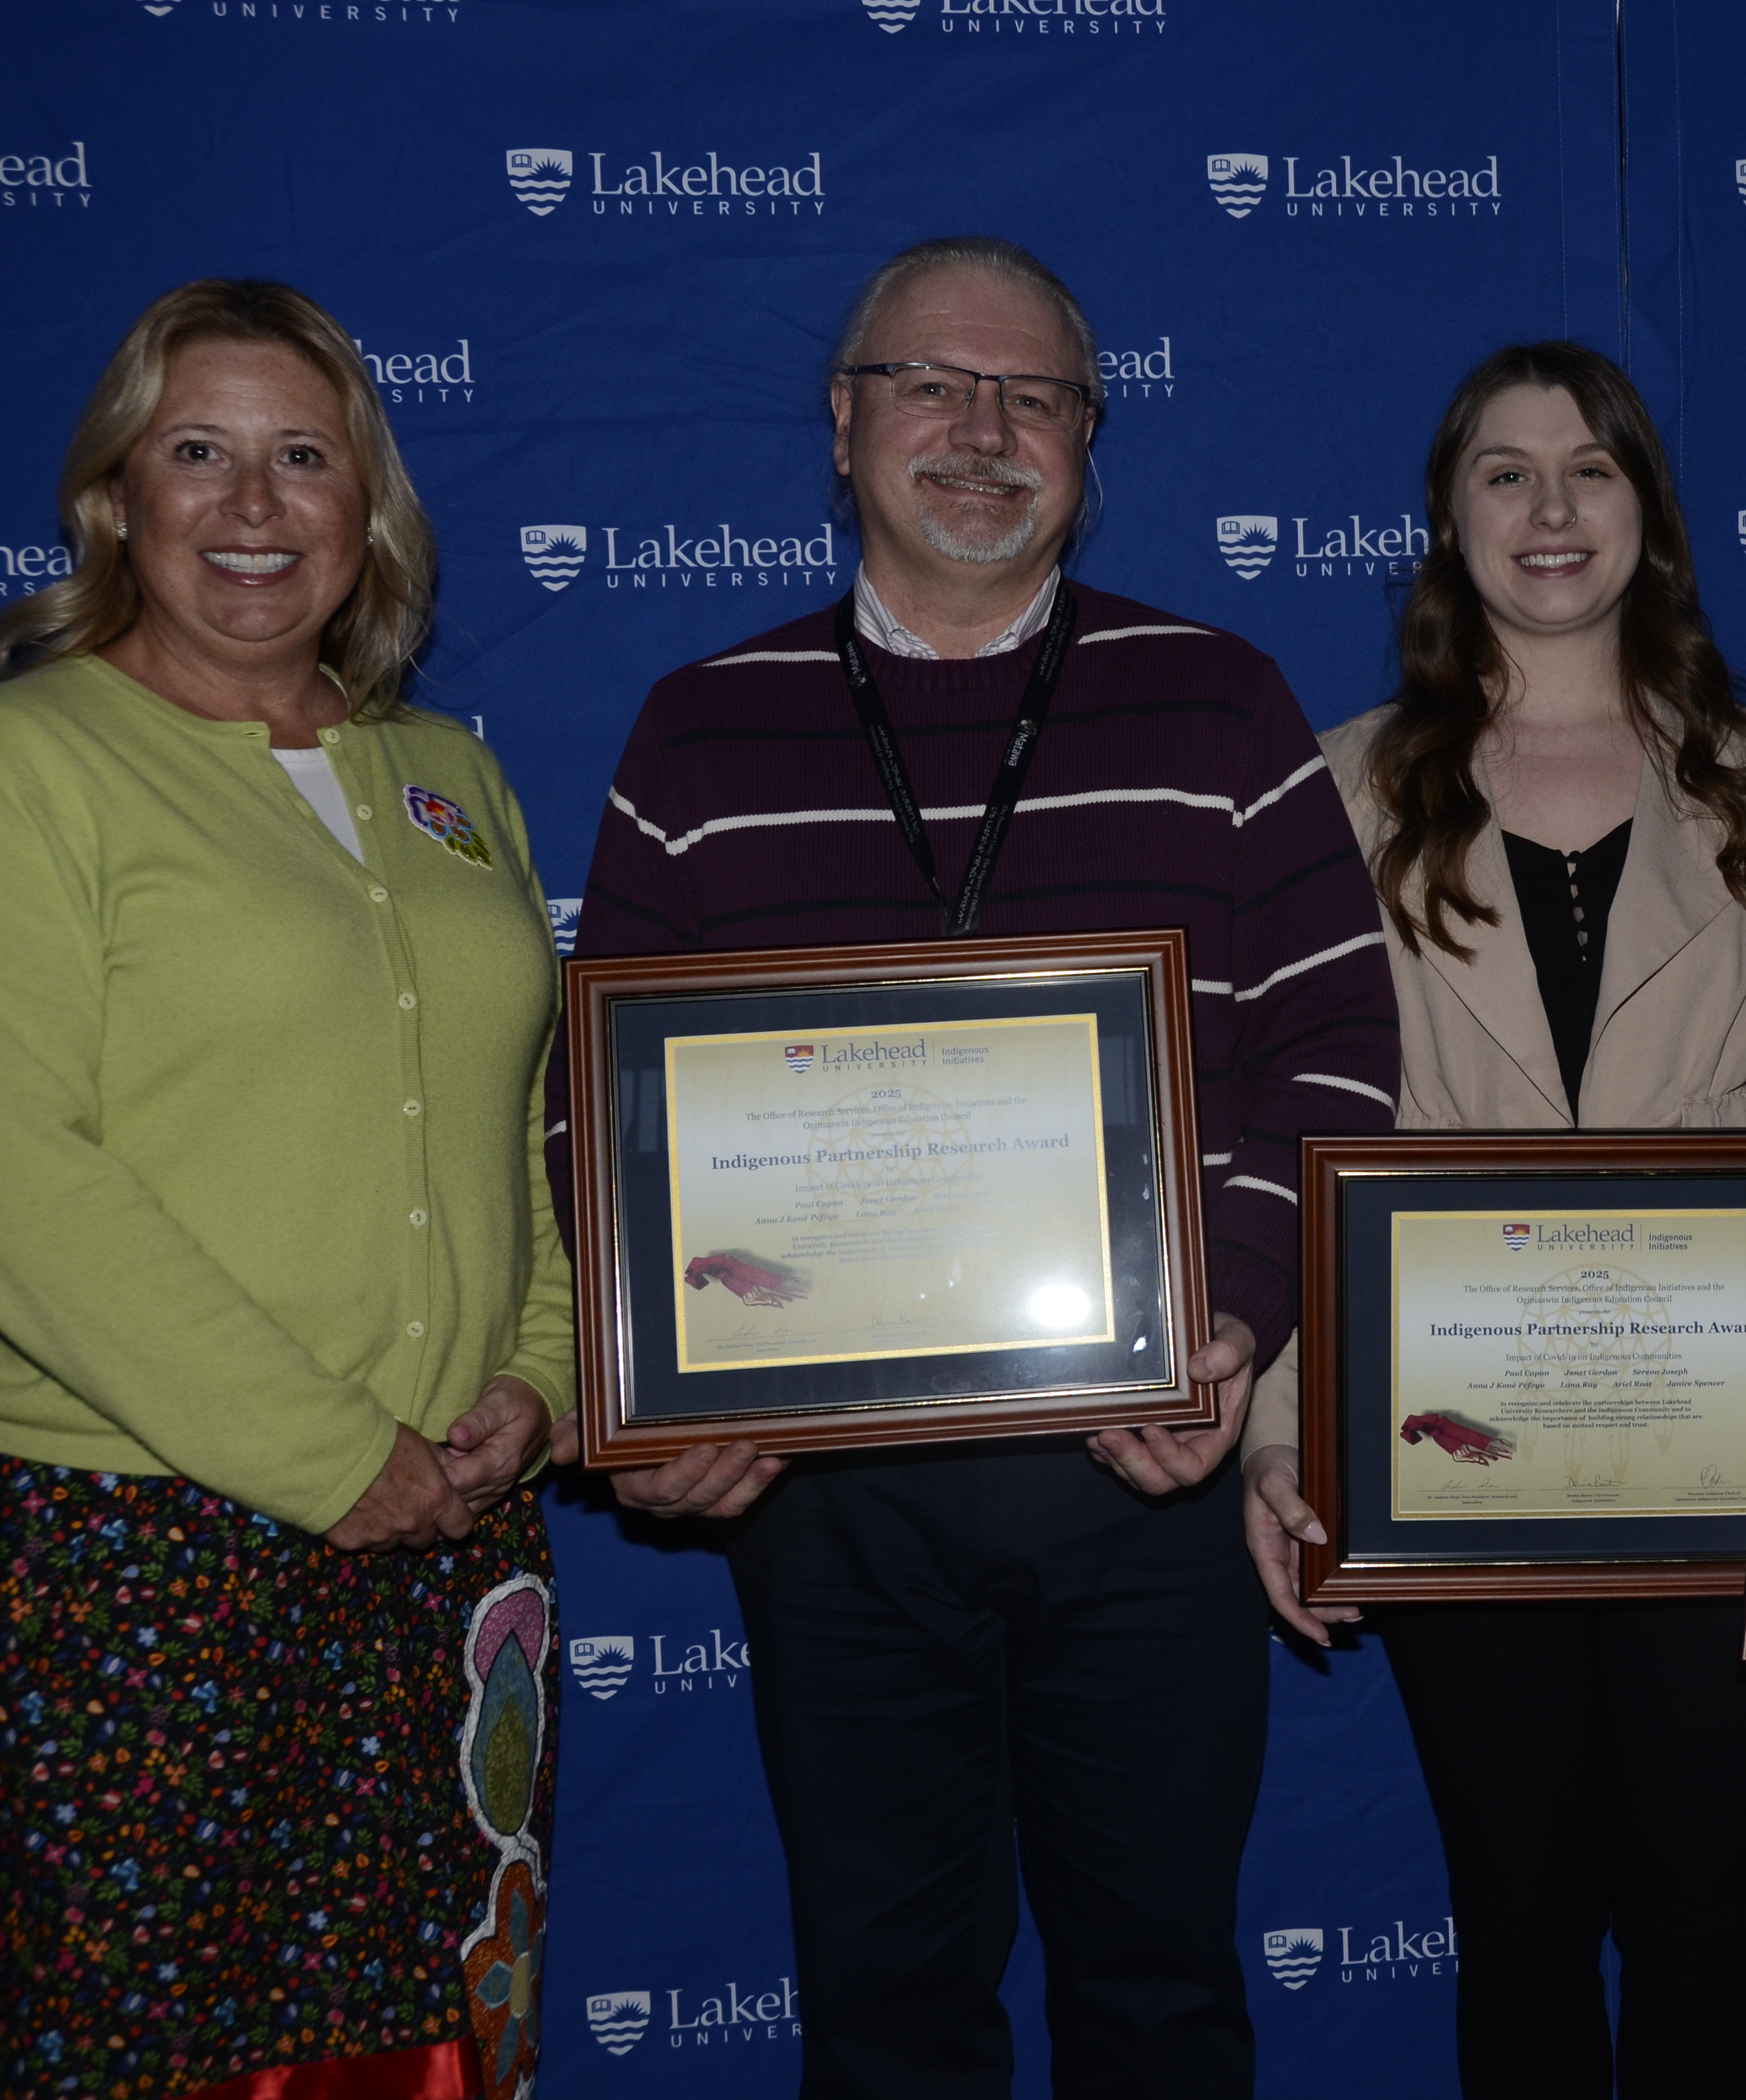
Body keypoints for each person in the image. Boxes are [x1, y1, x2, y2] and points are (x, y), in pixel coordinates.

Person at [558, 235, 1397, 2099]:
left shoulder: (1221, 702)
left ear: (1090, 443)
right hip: (827, 1498)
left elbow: (1336, 1049)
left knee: (1161, 2004)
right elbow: (595, 1106)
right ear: (841, 423)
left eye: (1034, 397)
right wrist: (645, 1389)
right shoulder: (700, 728)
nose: (982, 430)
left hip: (1148, 1471)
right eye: (932, 383)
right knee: (884, 2018)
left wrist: (1237, 1325)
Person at [0, 279, 574, 2100]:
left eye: (303, 458)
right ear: (117, 494)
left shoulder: (451, 779)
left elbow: (519, 1138)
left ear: (368, 510)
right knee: (142, 2055)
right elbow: (16, 1188)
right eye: (199, 451)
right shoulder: (12, 769)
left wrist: (544, 1380)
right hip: (140, 1558)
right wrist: (334, 1458)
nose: (254, 505)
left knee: (433, 2048)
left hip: (452, 1543)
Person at [1240, 341, 1746, 2096]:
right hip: (1450, 1448)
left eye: (1591, 467)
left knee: (1702, 1922)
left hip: (1719, 1450)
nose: (1550, 506)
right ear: (1449, 517)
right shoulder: (1339, 791)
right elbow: (1294, 1134)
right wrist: (1281, 1438)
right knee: (1517, 1921)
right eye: (1504, 471)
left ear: (1649, 511)